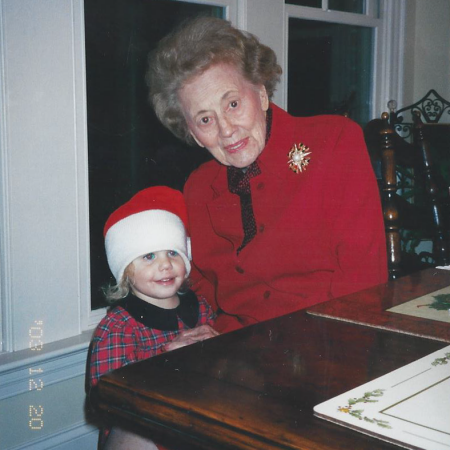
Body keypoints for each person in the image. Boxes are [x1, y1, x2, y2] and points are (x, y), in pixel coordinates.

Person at [147, 17, 387, 334]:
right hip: (238, 352)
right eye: (205, 119)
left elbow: (363, 282)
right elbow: (204, 288)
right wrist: (211, 331)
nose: (226, 130)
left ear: (260, 94)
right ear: (191, 132)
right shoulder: (199, 188)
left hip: (331, 342)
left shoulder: (335, 142)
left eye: (232, 103)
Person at [87, 186, 217, 449]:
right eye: (148, 256)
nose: (165, 264)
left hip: (192, 418)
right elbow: (106, 396)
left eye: (173, 252)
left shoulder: (199, 307)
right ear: (125, 273)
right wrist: (165, 359)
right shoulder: (118, 327)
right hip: (140, 429)